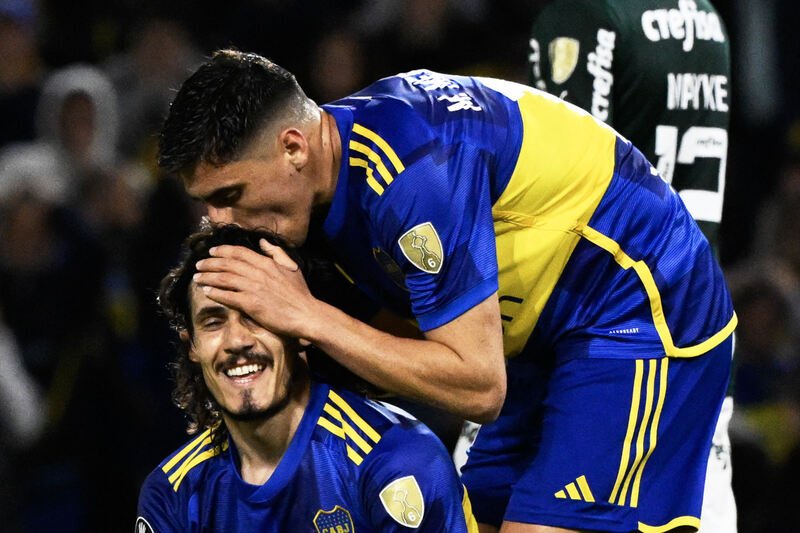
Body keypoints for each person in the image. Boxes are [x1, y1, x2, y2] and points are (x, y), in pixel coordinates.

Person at [158, 49, 736, 532]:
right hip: (536, 338)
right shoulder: (322, 194)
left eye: (229, 193)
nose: (216, 220)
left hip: (639, 310)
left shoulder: (415, 171)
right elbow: (400, 335)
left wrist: (308, 317)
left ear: (293, 147)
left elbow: (478, 387)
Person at [526, 3, 736, 531]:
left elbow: (566, 183)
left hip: (609, 339)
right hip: (699, 323)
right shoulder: (704, 14)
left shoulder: (586, 13)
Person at [136, 223, 478, 532]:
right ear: (192, 345)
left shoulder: (396, 462)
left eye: (257, 315)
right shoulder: (173, 495)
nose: (237, 340)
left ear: (299, 327)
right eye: (213, 321)